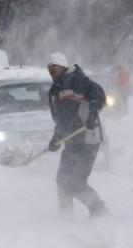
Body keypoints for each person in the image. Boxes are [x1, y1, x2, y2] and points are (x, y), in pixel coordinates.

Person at [47, 52, 108, 218]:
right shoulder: (55, 90)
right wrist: (56, 138)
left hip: (89, 138)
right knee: (62, 179)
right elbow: (61, 118)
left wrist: (92, 114)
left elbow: (99, 95)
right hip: (72, 141)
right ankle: (65, 215)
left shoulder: (78, 80)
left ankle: (99, 211)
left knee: (75, 182)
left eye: (56, 68)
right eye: (50, 69)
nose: (53, 72)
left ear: (64, 67)